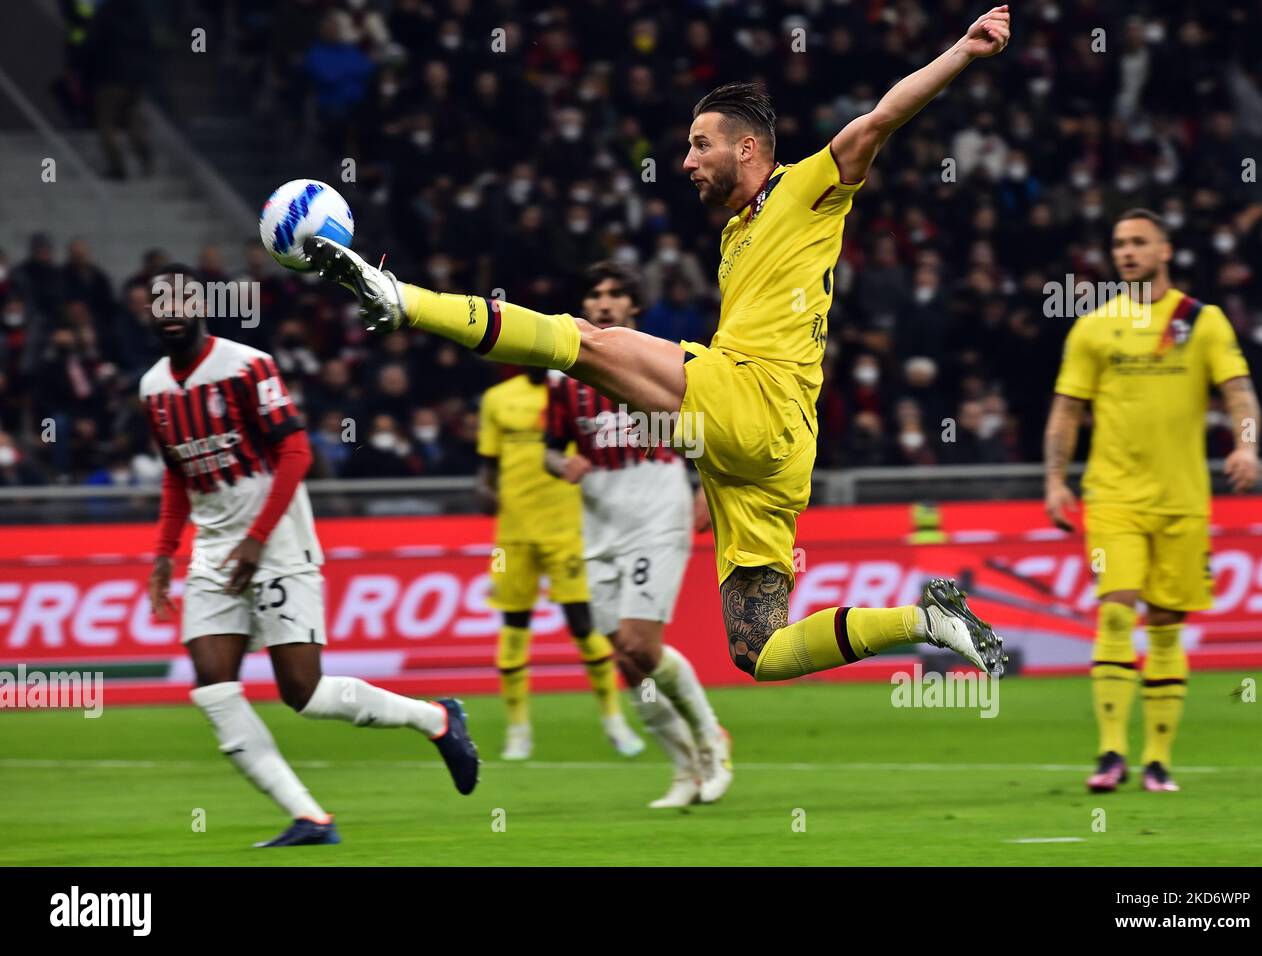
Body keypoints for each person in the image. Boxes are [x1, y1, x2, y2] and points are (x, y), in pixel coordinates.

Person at [306, 7, 1016, 682]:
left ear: (747, 148)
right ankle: (922, 620)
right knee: (758, 648)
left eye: (698, 144)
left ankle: (401, 302)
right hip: (775, 448)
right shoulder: (737, 234)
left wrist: (964, 49)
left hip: (755, 396)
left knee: (582, 342)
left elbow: (881, 117)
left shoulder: (806, 187)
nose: (684, 161)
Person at [140, 265, 478, 848]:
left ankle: (437, 718)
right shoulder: (153, 389)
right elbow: (177, 474)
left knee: (305, 693)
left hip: (278, 545)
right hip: (214, 554)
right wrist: (164, 553)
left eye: (180, 298)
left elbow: (295, 452)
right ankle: (312, 818)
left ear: (200, 305)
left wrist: (257, 536)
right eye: (158, 301)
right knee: (213, 687)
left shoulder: (247, 366)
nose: (170, 309)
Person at [1044, 210, 1261, 793]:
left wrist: (1246, 448)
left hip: (1183, 500)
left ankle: (1158, 760)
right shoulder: (1092, 328)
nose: (1128, 252)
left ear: (1166, 250)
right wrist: (1056, 481)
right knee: (1116, 610)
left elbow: (1240, 395)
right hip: (1113, 497)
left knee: (1166, 626)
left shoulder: (1202, 321)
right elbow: (1067, 411)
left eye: (1140, 242)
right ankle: (1111, 754)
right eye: (1119, 244)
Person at [545, 262, 729, 808]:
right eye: (594, 294)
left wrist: (707, 489)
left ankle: (712, 739)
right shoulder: (564, 377)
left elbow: (705, 427)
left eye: (615, 295)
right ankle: (684, 770)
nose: (602, 303)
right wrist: (561, 465)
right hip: (598, 511)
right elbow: (547, 446)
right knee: (622, 659)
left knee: (638, 643)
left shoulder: (663, 359)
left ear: (633, 308)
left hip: (656, 501)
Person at [477, 365, 643, 760]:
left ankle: (614, 721)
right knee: (514, 627)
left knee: (584, 626)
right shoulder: (497, 399)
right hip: (512, 536)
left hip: (568, 530)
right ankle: (518, 730)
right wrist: (484, 493)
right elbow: (487, 469)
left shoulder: (574, 395)